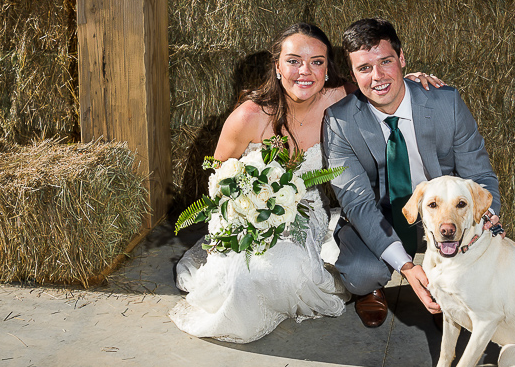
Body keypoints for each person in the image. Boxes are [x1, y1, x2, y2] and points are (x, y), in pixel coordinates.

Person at [170, 22, 443, 343]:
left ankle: (361, 277)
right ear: (277, 66)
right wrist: (240, 213)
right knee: (242, 280)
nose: (306, 71)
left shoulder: (340, 98)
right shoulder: (248, 117)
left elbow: (383, 86)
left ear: (328, 69)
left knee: (289, 273)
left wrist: (410, 80)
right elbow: (217, 179)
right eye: (294, 61)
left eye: (317, 62)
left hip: (304, 212)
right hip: (248, 215)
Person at [324, 18, 501, 329]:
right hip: (381, 213)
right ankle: (374, 287)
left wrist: (487, 219)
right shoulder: (339, 122)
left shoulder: (447, 103)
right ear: (352, 74)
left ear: (402, 58)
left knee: (492, 269)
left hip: (444, 212)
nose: (377, 76)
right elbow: (358, 204)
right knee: (363, 274)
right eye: (364, 68)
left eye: (385, 62)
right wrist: (407, 267)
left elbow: (480, 174)